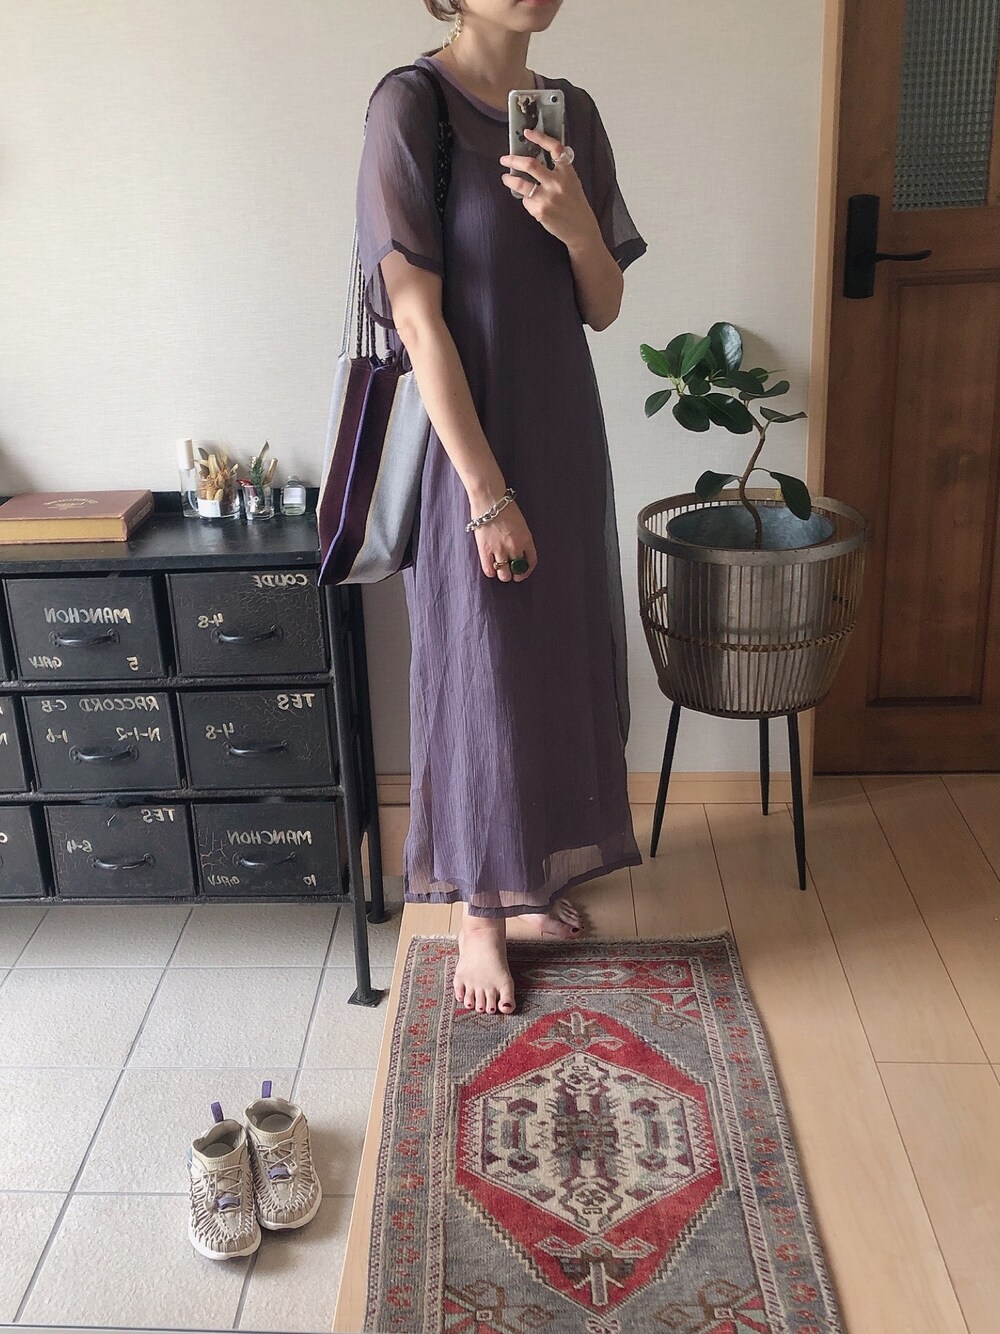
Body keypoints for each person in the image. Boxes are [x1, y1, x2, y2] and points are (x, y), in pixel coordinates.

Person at [355, 0, 648, 1017]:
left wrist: (575, 225)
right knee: (478, 661)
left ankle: (533, 873)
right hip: (468, 448)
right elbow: (415, 320)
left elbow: (602, 303)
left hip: (561, 431)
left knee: (552, 656)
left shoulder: (573, 114)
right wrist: (485, 493)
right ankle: (478, 910)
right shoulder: (412, 107)